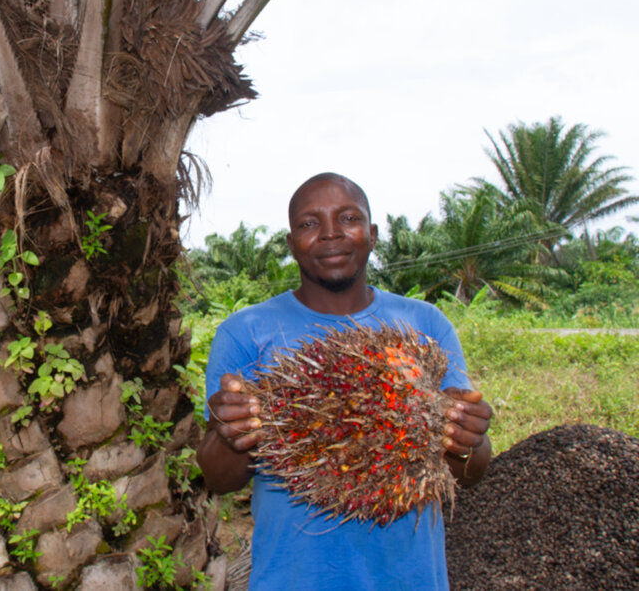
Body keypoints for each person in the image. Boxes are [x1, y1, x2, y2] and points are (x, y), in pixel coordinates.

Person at [197, 172, 492, 590]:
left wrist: (468, 437)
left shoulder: (426, 324)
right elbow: (218, 479)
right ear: (291, 244)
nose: (330, 233)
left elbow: (470, 472)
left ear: (372, 235)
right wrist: (233, 435)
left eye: (349, 218)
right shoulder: (245, 332)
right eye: (309, 223)